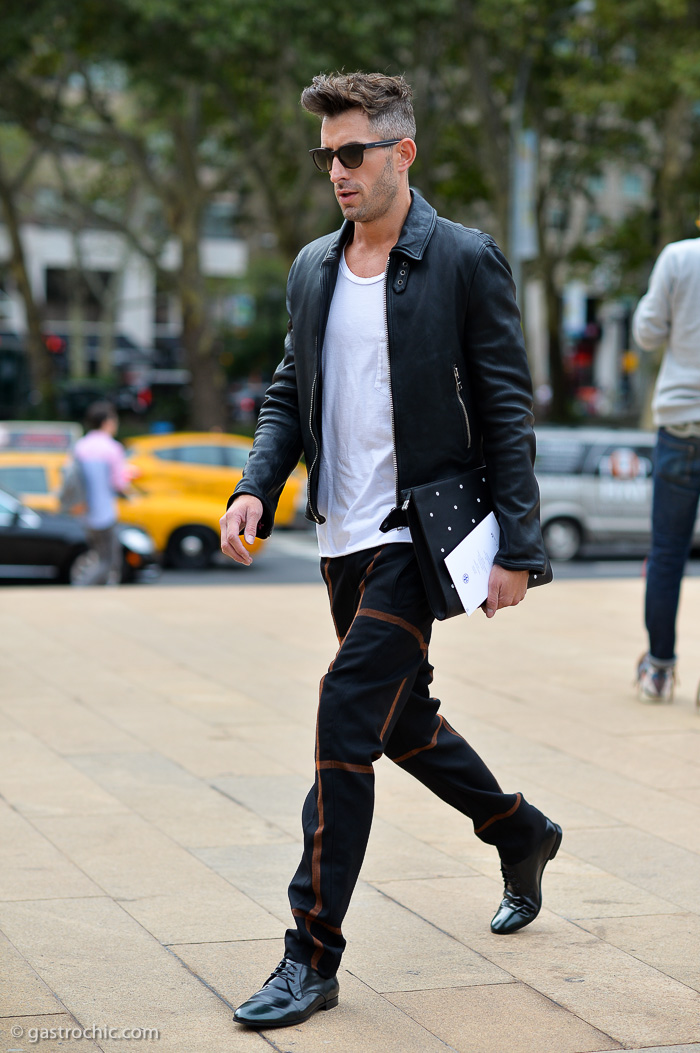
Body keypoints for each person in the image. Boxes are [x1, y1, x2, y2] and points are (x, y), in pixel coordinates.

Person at [220, 71, 561, 1030]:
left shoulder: (462, 258)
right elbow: (289, 391)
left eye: (353, 151)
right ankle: (521, 829)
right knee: (400, 724)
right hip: (341, 535)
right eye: (328, 153)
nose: (337, 169)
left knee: (342, 716)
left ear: (402, 152)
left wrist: (519, 549)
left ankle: (310, 954)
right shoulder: (312, 267)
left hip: (425, 530)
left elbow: (505, 405)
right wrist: (255, 484)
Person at [633, 231, 700, 702]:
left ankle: (658, 669)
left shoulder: (680, 258)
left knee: (667, 556)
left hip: (679, 429)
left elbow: (646, 334)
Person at [72, 400, 130, 585]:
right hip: (105, 513)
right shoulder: (112, 448)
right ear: (106, 422)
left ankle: (90, 595)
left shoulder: (80, 446)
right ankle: (82, 589)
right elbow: (118, 482)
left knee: (97, 556)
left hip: (85, 513)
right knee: (110, 561)